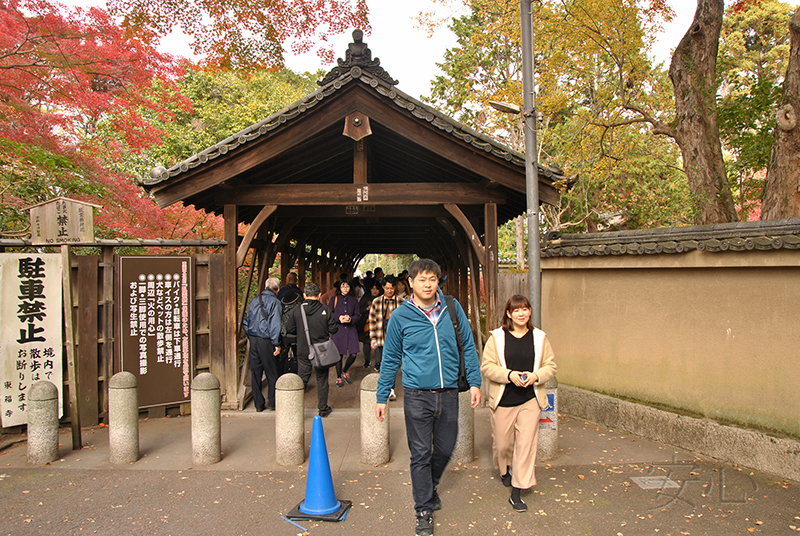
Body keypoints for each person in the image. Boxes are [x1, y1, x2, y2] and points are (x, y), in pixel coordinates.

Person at [375, 259, 481, 536]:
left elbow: (468, 346)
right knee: (420, 454)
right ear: (410, 282)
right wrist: (381, 394)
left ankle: (429, 484)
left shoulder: (453, 308)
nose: (427, 284)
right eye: (421, 279)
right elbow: (390, 359)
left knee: (445, 449)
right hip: (416, 395)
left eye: (432, 279)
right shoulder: (400, 317)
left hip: (448, 393)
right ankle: (423, 509)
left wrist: (476, 381)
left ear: (438, 281)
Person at [481, 294, 557, 513]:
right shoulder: (497, 338)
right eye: (516, 310)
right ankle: (504, 469)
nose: (521, 313)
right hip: (504, 399)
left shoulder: (540, 338)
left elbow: (550, 366)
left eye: (525, 309)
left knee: (525, 445)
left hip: (530, 400)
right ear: (509, 314)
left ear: (530, 312)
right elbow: (487, 366)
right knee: (503, 444)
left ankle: (517, 491)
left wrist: (535, 376)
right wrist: (509, 374)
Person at [283, 282, 339, 417]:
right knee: (322, 380)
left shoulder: (297, 310)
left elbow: (289, 329)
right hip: (322, 352)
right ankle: (323, 409)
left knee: (302, 379)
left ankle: (294, 410)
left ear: (304, 295)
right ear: (319, 295)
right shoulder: (325, 310)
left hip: (303, 350)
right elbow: (334, 329)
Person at [241, 277, 282, 412]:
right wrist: (276, 343)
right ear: (277, 289)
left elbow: (246, 322)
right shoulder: (275, 302)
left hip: (253, 339)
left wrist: (251, 336)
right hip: (266, 340)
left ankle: (258, 404)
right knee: (271, 371)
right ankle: (272, 401)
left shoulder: (254, 300)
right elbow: (275, 325)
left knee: (256, 373)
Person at [368, 275, 400, 400]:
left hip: (395, 339)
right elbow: (372, 321)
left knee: (393, 363)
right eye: (387, 288)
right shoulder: (376, 302)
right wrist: (373, 338)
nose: (389, 291)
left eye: (391, 288)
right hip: (381, 337)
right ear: (383, 287)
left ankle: (391, 388)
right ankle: (385, 387)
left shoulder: (401, 302)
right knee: (382, 363)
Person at [328, 279, 361, 386]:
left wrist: (351, 319)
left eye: (347, 286)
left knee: (354, 354)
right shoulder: (334, 299)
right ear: (339, 288)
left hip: (351, 329)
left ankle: (345, 369)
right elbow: (329, 314)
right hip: (338, 330)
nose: (345, 289)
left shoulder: (354, 300)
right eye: (343, 287)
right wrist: (339, 317)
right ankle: (338, 377)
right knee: (339, 354)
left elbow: (358, 315)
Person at [357, 281, 380, 368]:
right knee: (366, 344)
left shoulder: (381, 298)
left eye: (377, 289)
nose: (375, 291)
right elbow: (359, 309)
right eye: (373, 288)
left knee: (377, 344)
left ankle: (377, 363)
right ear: (370, 289)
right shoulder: (365, 298)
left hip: (378, 324)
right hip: (367, 324)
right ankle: (367, 360)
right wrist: (367, 308)